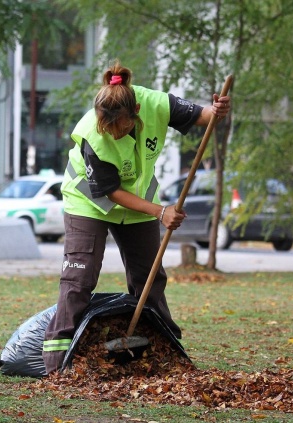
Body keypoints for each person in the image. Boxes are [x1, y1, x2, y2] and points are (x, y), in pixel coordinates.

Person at [41, 62, 231, 374]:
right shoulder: (92, 133)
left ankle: (167, 354)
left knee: (150, 278)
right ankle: (57, 364)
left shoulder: (156, 104)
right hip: (89, 202)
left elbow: (201, 116)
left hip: (140, 201)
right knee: (80, 278)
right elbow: (111, 192)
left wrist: (217, 110)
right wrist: (160, 211)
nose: (115, 134)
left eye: (123, 127)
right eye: (109, 129)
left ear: (138, 111)